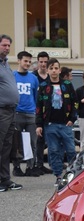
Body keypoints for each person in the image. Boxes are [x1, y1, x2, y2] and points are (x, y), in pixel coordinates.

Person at [35, 58, 78, 186]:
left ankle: (72, 174)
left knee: (71, 150)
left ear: (59, 70)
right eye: (51, 68)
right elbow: (38, 106)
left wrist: (72, 118)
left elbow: (75, 102)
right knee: (53, 151)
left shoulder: (67, 85)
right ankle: (59, 175)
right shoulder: (43, 87)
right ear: (47, 70)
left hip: (65, 124)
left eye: (56, 68)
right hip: (50, 125)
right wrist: (38, 125)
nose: (54, 71)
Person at [12, 51, 40, 177]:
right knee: (16, 142)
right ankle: (17, 167)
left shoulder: (33, 78)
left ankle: (30, 166)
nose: (28, 63)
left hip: (30, 114)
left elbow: (36, 96)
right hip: (17, 113)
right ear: (19, 61)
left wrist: (34, 110)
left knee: (32, 142)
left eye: (29, 61)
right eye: (25, 61)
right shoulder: (12, 76)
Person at [0, 34, 21, 192]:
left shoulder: (6, 64)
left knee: (7, 148)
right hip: (1, 111)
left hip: (11, 111)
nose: (7, 48)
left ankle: (5, 180)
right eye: (4, 45)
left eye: (8, 46)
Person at [33, 51, 53, 175]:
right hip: (37, 111)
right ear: (38, 62)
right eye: (41, 62)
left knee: (50, 140)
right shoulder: (34, 76)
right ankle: (37, 164)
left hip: (50, 113)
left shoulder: (52, 76)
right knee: (38, 140)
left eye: (46, 62)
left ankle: (50, 164)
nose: (43, 64)